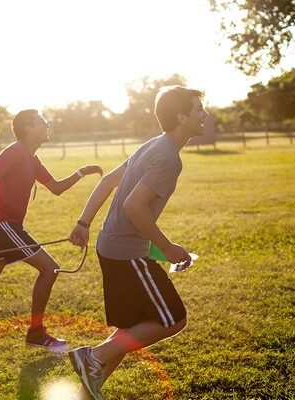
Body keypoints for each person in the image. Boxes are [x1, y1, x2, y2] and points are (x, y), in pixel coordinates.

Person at [67, 86, 209, 400]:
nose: (205, 115)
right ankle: (91, 356)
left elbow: (107, 180)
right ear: (181, 116)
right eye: (199, 109)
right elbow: (134, 207)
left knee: (131, 328)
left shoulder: (153, 145)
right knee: (172, 318)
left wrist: (83, 222)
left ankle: (86, 392)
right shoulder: (168, 157)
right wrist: (169, 247)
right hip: (125, 251)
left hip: (112, 246)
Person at [0, 109, 103, 362]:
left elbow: (55, 188)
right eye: (42, 122)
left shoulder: (31, 158)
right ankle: (36, 332)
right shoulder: (14, 152)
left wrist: (81, 172)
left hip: (3, 227)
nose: (47, 124)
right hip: (3, 227)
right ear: (28, 129)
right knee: (50, 269)